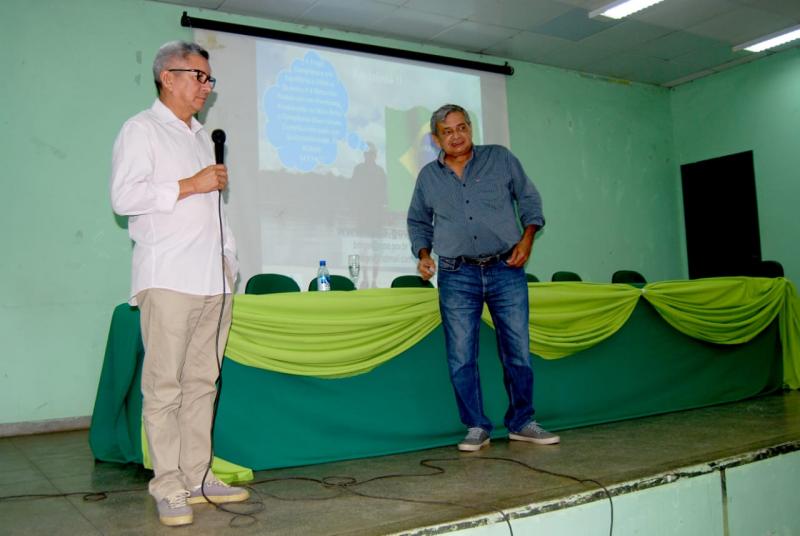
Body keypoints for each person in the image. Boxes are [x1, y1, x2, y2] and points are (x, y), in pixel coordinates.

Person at [110, 41, 248, 526]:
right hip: (168, 278)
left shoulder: (200, 134)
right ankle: (168, 484)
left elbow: (216, 210)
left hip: (213, 281)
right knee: (164, 387)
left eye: (209, 79)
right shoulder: (140, 130)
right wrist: (191, 184)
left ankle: (198, 474)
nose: (206, 88)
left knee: (203, 384)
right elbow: (124, 198)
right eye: (198, 77)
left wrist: (230, 260)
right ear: (167, 77)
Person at [406, 104, 560, 452]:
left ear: (470, 128)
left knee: (517, 351)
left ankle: (522, 422)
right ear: (436, 139)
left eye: (463, 127)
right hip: (456, 275)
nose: (457, 135)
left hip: (506, 268)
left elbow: (530, 199)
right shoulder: (428, 178)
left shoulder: (500, 158)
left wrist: (527, 238)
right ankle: (476, 426)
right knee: (461, 356)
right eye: (448, 131)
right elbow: (417, 221)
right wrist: (424, 254)